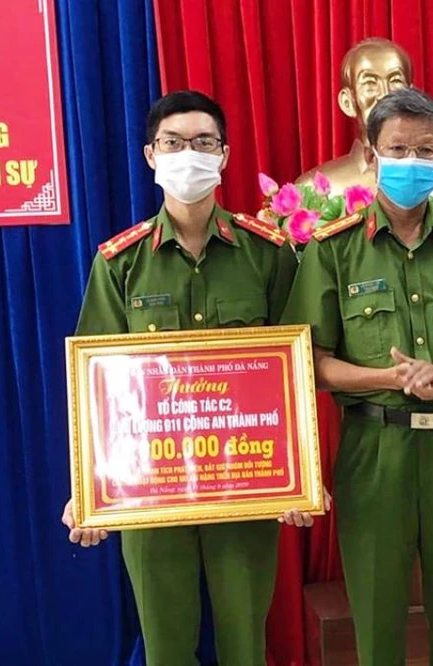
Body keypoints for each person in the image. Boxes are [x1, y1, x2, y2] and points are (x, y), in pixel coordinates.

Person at [59, 90, 320, 666]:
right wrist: (89, 489)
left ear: (223, 155)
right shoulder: (121, 262)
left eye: (203, 142)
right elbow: (97, 385)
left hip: (246, 479)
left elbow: (295, 372)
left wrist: (301, 476)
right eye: (173, 143)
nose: (189, 155)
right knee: (166, 646)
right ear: (151, 155)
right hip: (152, 487)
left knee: (245, 642)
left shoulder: (268, 254)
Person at [282, 88, 433, 665]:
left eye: (425, 151)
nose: (411, 162)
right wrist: (392, 379)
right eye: (397, 149)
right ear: (371, 154)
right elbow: (311, 362)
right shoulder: (334, 250)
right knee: (376, 616)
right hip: (374, 449)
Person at [295, 37, 433, 193]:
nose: (385, 94)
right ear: (347, 101)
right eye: (370, 83)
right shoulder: (315, 189)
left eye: (395, 81)